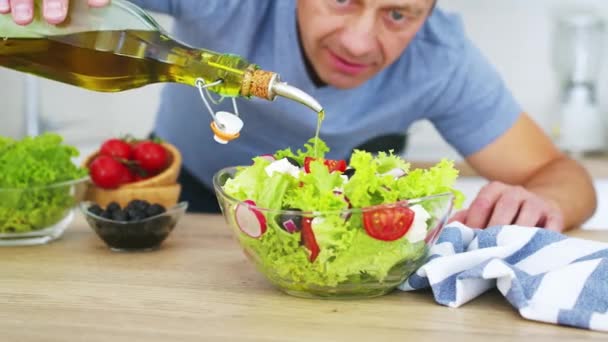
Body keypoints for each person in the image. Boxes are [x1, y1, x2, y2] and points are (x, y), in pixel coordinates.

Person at [4, 0, 597, 231]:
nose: (361, 43)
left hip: (333, 229)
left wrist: (544, 204)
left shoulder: (443, 58)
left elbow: (559, 173)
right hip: (183, 202)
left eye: (399, 15)